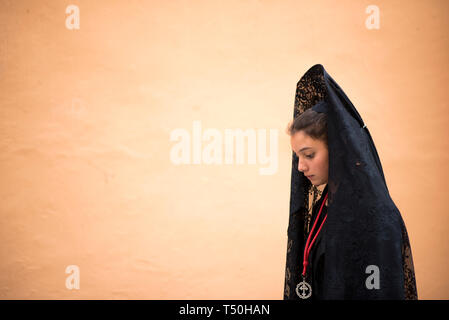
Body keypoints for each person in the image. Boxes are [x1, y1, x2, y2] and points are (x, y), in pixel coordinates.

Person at [283, 64, 418, 300]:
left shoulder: (374, 217)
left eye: (309, 155)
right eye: (298, 157)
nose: (301, 167)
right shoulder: (326, 205)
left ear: (338, 149)